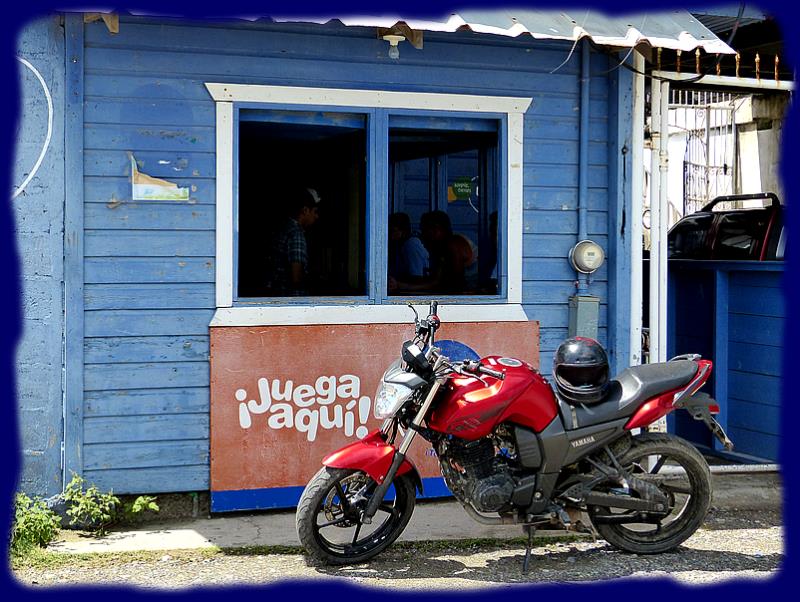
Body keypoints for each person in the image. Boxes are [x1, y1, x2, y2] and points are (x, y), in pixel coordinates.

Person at [389, 210, 478, 294]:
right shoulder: (443, 248)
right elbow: (435, 281)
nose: (423, 235)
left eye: (424, 230)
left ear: (436, 230)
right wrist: (401, 285)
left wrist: (403, 286)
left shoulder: (453, 245)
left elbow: (455, 282)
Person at [267, 187, 321, 296]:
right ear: (305, 210)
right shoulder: (296, 234)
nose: (317, 216)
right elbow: (296, 278)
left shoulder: (284, 228)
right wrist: (316, 280)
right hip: (293, 298)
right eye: (315, 211)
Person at [388, 212, 429, 282]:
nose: (391, 236)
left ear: (403, 231)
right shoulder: (401, 245)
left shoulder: (411, 245)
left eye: (394, 231)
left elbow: (416, 277)